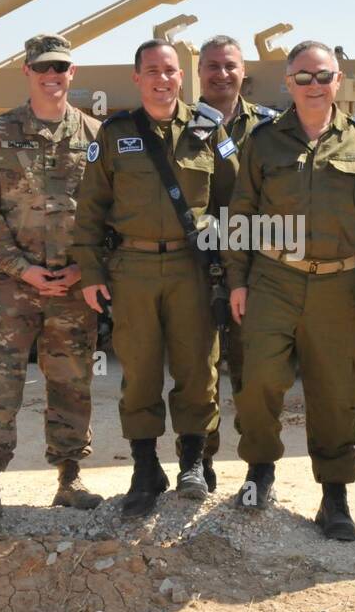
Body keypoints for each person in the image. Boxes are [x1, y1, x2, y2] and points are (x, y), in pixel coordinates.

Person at [226, 40, 355, 541]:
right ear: (288, 83)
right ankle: (260, 470)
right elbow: (240, 215)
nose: (313, 85)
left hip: (339, 285)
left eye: (323, 76)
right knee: (259, 379)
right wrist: (237, 281)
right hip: (273, 280)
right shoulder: (263, 141)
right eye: (302, 77)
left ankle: (335, 493)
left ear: (338, 81)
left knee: (335, 392)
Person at [70, 39, 238, 517]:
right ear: (137, 78)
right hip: (133, 270)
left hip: (193, 268)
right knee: (140, 372)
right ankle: (145, 469)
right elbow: (90, 210)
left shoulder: (209, 129)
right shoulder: (114, 133)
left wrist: (230, 269)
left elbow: (235, 200)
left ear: (181, 77)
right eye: (152, 71)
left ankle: (191, 460)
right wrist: (90, 271)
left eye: (169, 71)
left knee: (197, 368)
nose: (162, 79)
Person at [0, 33, 103, 534]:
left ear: (73, 74)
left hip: (71, 286)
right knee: (3, 383)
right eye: (43, 67)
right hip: (12, 285)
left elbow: (106, 213)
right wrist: (22, 268)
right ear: (27, 71)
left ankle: (69, 479)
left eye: (61, 68)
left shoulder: (93, 136)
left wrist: (82, 270)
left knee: (71, 383)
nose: (53, 76)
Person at [189, 34, 278, 488]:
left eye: (230, 66)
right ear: (198, 71)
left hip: (254, 264)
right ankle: (200, 462)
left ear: (244, 72)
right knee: (199, 366)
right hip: (196, 263)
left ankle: (259, 467)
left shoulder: (268, 127)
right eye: (212, 66)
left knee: (254, 369)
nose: (221, 74)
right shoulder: (180, 125)